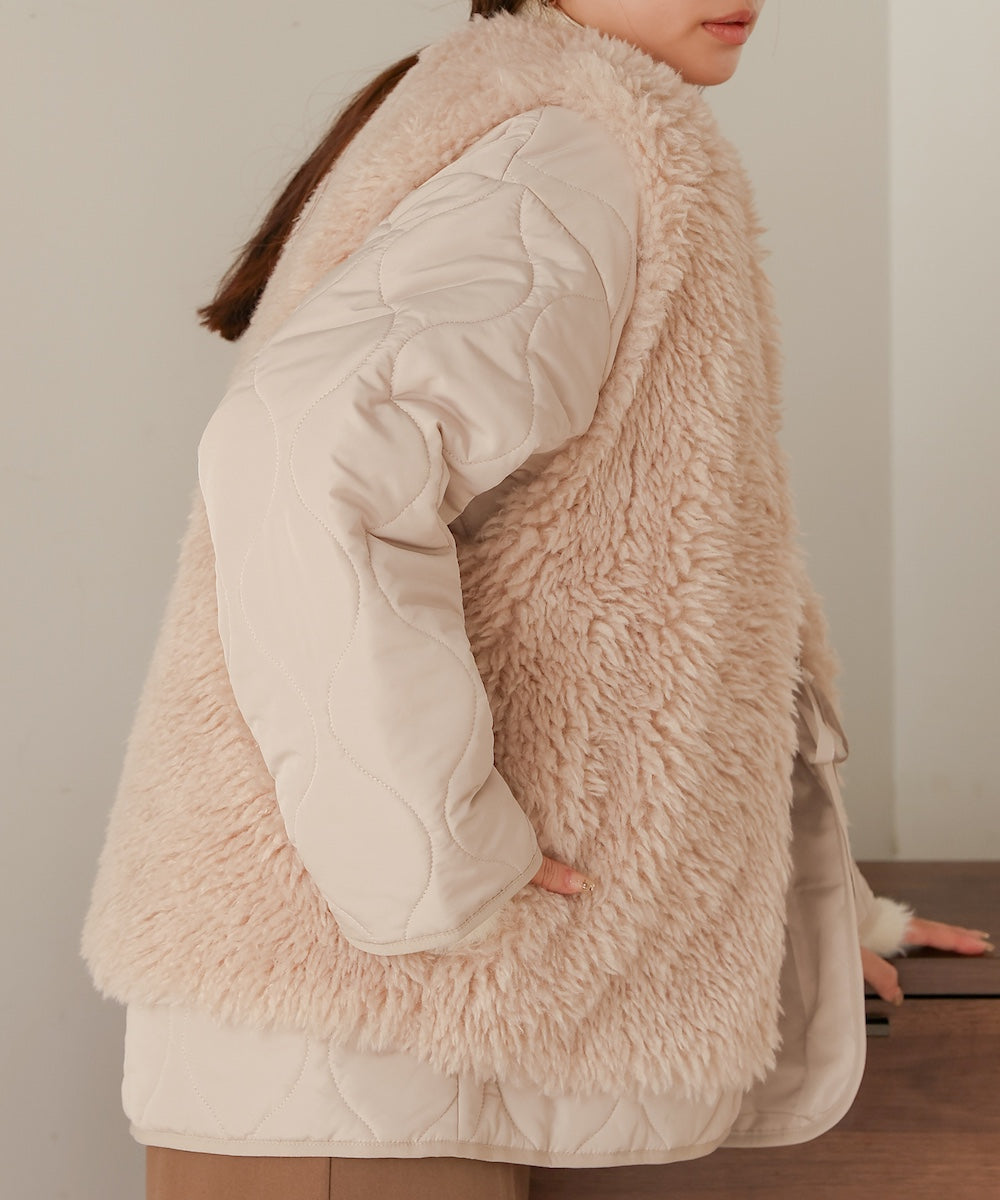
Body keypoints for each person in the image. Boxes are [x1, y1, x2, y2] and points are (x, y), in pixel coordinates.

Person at [81, 2, 993, 1197]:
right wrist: (437, 863)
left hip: (397, 1038)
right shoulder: (574, 149)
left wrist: (804, 923)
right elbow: (297, 450)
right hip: (367, 1044)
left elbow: (645, 605)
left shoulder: (523, 120)